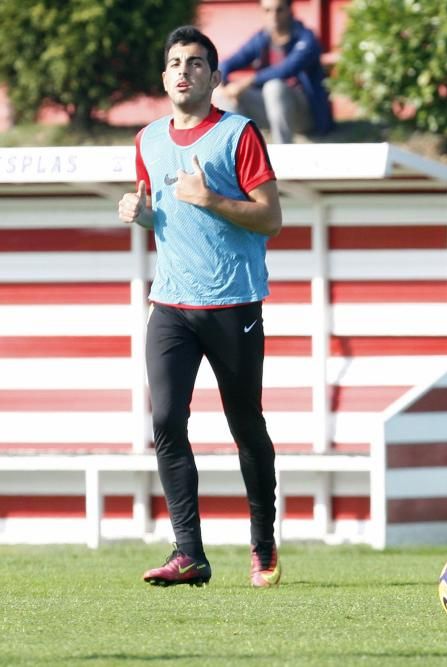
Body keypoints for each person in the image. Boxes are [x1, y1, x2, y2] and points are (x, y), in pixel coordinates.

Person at [117, 26, 283, 588]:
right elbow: (156, 212)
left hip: (233, 302)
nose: (183, 71)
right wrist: (137, 213)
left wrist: (212, 198)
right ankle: (189, 553)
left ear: (214, 76)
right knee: (165, 420)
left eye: (195, 63)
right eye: (174, 63)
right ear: (164, 78)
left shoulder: (238, 134)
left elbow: (271, 218)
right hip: (170, 306)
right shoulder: (146, 140)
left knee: (245, 426)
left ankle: (263, 544)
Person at [214, 0, 334, 143]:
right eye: (267, 10)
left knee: (274, 88)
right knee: (222, 94)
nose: (273, 16)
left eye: (279, 10)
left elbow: (287, 69)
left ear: (290, 10)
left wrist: (248, 81)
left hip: (306, 114)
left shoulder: (306, 39)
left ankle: (282, 152)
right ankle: (242, 152)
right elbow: (227, 63)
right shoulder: (261, 38)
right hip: (270, 110)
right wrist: (221, 83)